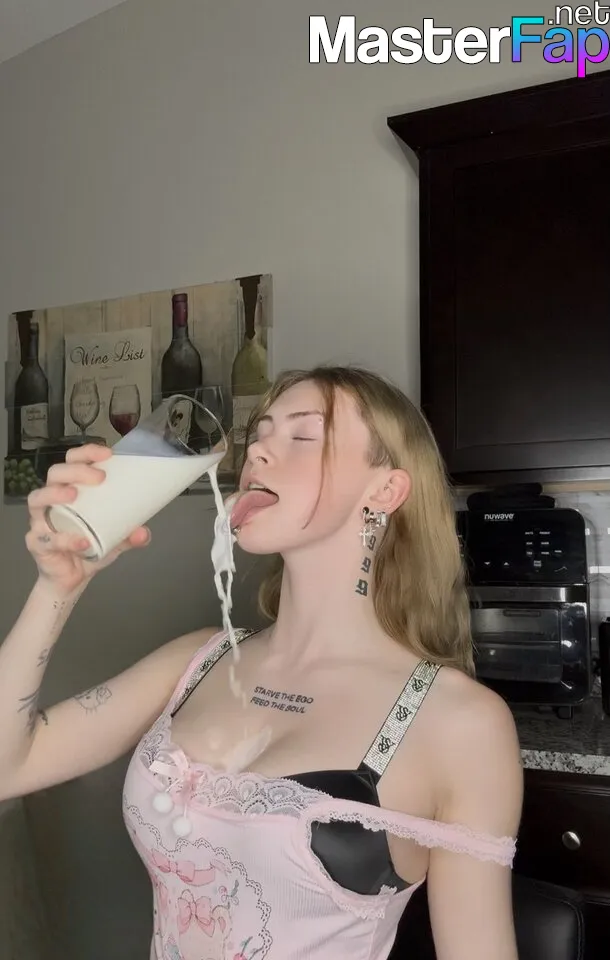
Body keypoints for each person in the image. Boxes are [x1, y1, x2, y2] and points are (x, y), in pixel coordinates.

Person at [0, 365, 523, 960]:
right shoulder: (197, 660)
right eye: (260, 434)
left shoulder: (459, 723)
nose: (257, 453)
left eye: (303, 435)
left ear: (385, 491)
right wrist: (57, 587)